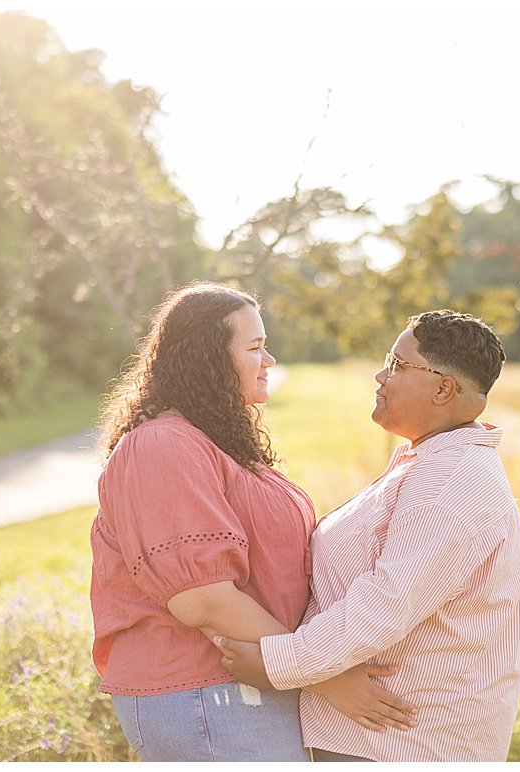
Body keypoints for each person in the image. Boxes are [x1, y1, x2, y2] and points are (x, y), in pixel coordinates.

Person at [89, 282, 408, 761]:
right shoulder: (162, 446)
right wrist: (324, 676)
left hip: (246, 683)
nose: (269, 360)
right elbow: (203, 599)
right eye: (255, 347)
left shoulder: (216, 444)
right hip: (203, 691)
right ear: (209, 359)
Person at [215, 309, 520, 761]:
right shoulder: (427, 464)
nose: (381, 375)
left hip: (407, 742)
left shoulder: (452, 483)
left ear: (444, 389)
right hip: (378, 738)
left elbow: (385, 604)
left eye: (400, 365)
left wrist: (276, 662)